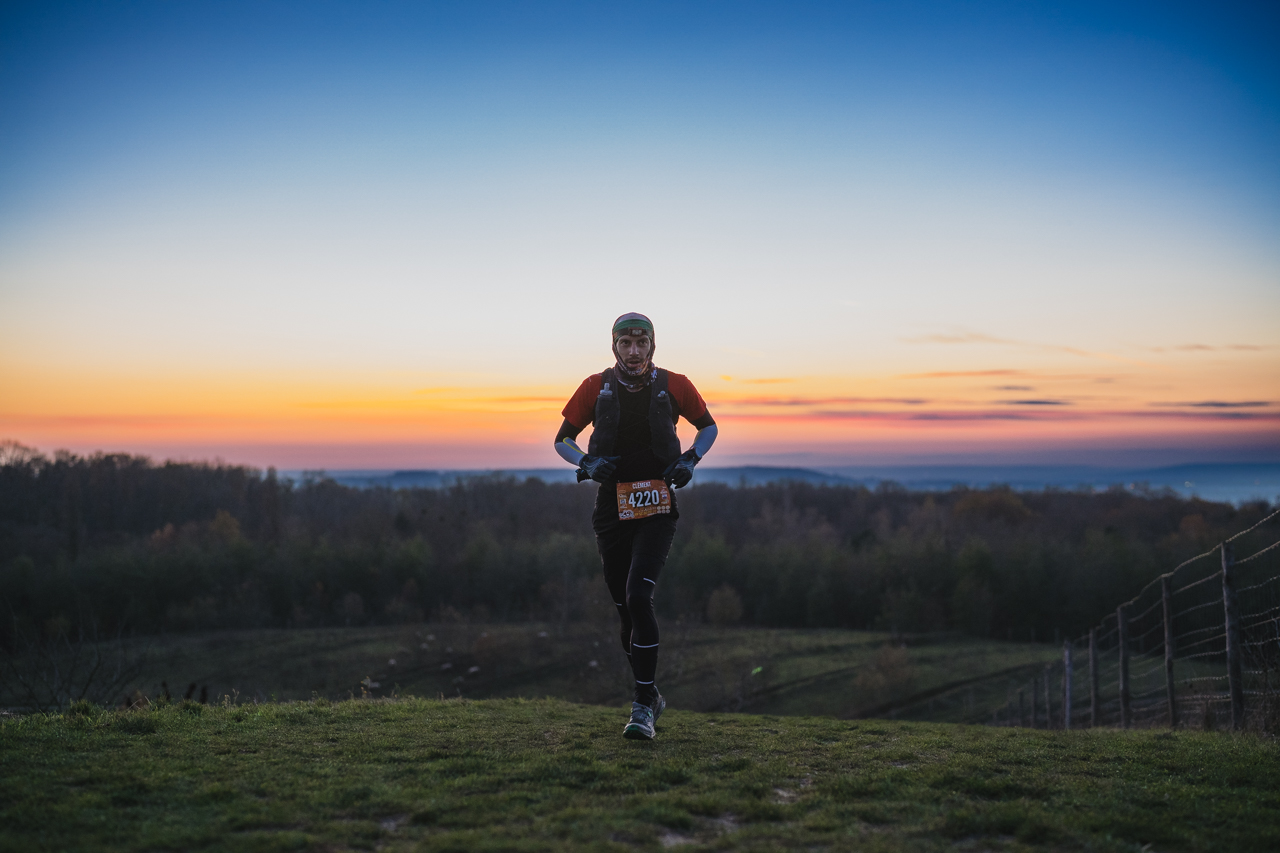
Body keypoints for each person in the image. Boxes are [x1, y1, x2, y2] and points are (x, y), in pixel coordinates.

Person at [554, 312, 718, 740]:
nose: (633, 351)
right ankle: (652, 694)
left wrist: (689, 460)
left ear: (652, 346)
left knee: (638, 595)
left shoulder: (676, 384)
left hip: (658, 504)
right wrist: (586, 462)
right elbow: (562, 439)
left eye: (640, 343)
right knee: (624, 609)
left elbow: (709, 427)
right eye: (625, 343)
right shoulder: (594, 386)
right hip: (612, 508)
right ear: (614, 346)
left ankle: (642, 704)